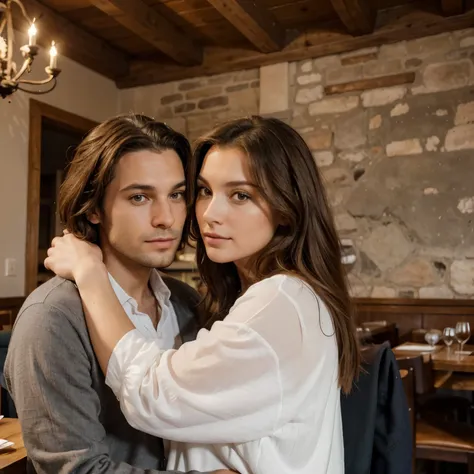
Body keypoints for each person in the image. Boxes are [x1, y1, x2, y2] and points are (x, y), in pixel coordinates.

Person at [44, 116, 361, 474]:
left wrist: (91, 274)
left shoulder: (280, 302)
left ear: (287, 208)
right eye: (205, 191)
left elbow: (151, 393)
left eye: (240, 195)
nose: (210, 214)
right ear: (95, 208)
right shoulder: (54, 316)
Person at [5, 114, 233, 474]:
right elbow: (76, 470)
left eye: (176, 195)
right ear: (94, 208)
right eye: (140, 197)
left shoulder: (189, 303)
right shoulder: (51, 319)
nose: (166, 218)